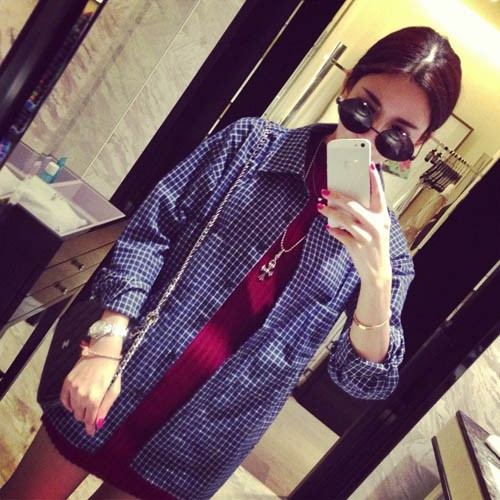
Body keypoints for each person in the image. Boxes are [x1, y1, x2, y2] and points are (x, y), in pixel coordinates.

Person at [1, 26, 461, 499]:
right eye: (362, 109)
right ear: (346, 87)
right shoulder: (249, 147)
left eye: (397, 137)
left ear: (418, 145)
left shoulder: (389, 254)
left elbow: (361, 379)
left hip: (197, 443)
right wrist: (105, 343)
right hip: (117, 372)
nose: (368, 136)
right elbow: (148, 234)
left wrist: (376, 278)